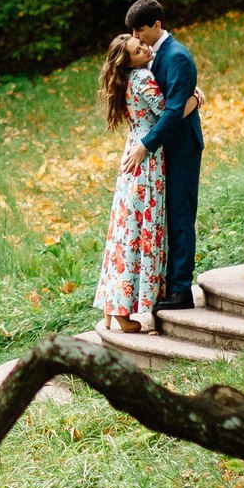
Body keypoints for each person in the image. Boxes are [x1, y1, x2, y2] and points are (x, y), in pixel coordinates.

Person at [125, 0, 204, 316]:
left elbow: (173, 110)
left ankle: (181, 289)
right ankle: (166, 284)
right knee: (164, 217)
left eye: (140, 29)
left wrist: (146, 143)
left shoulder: (178, 58)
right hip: (163, 151)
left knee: (180, 215)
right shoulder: (149, 56)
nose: (136, 36)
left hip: (181, 147)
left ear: (157, 25)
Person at [96, 32, 168, 336]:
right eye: (139, 51)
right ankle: (126, 313)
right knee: (143, 228)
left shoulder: (125, 80)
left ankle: (114, 306)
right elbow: (168, 114)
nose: (146, 50)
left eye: (143, 46)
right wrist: (195, 97)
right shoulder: (142, 78)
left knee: (125, 230)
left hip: (132, 153)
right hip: (146, 160)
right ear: (130, 61)